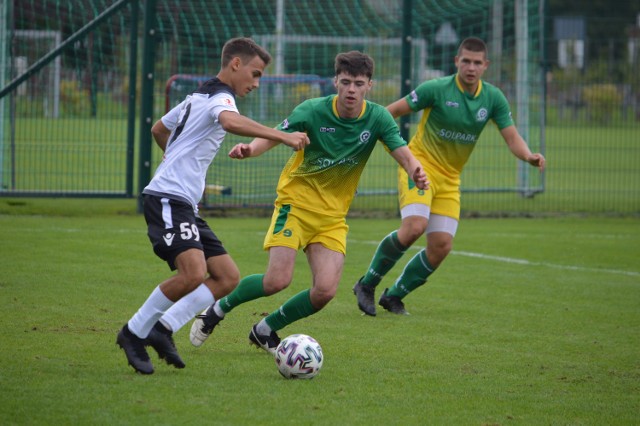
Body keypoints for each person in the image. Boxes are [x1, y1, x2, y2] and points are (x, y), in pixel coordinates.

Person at [188, 50, 429, 354]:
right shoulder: (313, 110)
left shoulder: (378, 118)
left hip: (332, 218)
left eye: (358, 83)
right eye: (345, 82)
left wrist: (415, 170)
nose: (351, 89)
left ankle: (265, 329)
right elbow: (275, 135)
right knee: (277, 280)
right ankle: (217, 310)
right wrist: (251, 149)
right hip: (295, 206)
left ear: (369, 85)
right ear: (335, 82)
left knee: (325, 291)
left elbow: (402, 151)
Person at [115, 37, 310, 374]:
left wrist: (174, 159)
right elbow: (231, 123)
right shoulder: (221, 99)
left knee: (227, 276)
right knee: (192, 273)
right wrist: (284, 136)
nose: (256, 82)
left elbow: (159, 128)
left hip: (183, 201)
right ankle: (133, 333)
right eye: (256, 73)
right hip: (168, 197)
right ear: (235, 64)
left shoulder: (197, 96)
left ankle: (163, 330)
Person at [352, 36, 546, 316]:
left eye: (477, 62)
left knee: (441, 245)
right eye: (465, 60)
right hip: (419, 167)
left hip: (450, 178)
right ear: (456, 61)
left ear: (485, 65)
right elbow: (391, 111)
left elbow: (512, 136)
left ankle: (393, 296)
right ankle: (367, 284)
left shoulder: (493, 98)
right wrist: (366, 135)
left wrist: (528, 155)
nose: (471, 67)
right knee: (415, 226)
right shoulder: (437, 89)